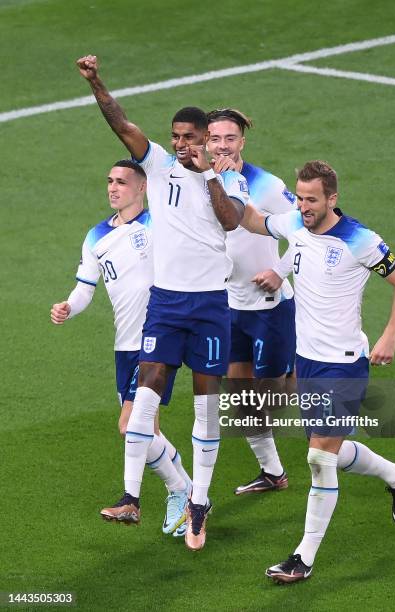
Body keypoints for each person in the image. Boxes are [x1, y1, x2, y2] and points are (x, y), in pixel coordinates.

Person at [76, 55, 249, 551]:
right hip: (167, 304)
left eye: (189, 137)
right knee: (144, 400)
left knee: (205, 408)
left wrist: (208, 174)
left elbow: (231, 221)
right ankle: (131, 497)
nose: (180, 144)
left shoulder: (228, 178)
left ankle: (199, 499)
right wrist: (96, 82)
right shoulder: (155, 164)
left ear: (205, 140)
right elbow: (121, 123)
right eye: (176, 136)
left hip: (211, 304)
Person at [242, 160, 395, 583]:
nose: (303, 206)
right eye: (300, 198)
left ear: (332, 199)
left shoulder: (359, 239)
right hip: (308, 362)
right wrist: (225, 176)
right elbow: (249, 218)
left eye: (312, 200)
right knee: (332, 453)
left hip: (344, 364)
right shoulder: (295, 225)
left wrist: (389, 336)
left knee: (319, 458)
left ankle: (302, 558)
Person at [50, 160, 191, 537]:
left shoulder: (159, 224)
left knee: (131, 425)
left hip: (158, 338)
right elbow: (85, 288)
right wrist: (68, 306)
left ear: (141, 188)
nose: (113, 188)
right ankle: (187, 494)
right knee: (149, 433)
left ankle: (151, 496)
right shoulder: (96, 236)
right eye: (110, 181)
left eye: (122, 182)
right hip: (125, 344)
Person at [206, 108, 296, 495]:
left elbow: (308, 233)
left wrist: (279, 270)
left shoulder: (268, 186)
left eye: (230, 138)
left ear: (242, 141)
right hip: (227, 306)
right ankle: (273, 473)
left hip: (270, 306)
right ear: (205, 142)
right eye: (215, 139)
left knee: (274, 399)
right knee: (241, 396)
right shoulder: (199, 184)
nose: (223, 145)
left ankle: (313, 365)